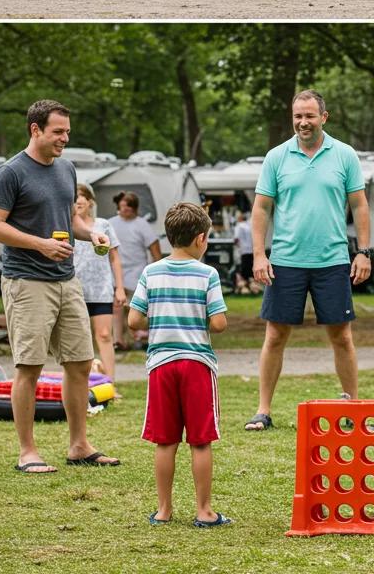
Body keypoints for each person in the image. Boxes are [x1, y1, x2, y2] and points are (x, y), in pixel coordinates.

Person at [0, 99, 118, 474]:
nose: (65, 139)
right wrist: (40, 243)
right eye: (58, 132)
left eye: (68, 132)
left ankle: (79, 445)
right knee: (29, 367)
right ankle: (27, 452)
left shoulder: (66, 169)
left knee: (78, 363)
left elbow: (70, 217)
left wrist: (91, 234)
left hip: (66, 279)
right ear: (35, 129)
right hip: (26, 281)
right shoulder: (11, 172)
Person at [244, 90, 371, 431]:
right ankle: (263, 410)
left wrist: (363, 251)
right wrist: (259, 254)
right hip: (285, 261)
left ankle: (352, 408)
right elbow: (262, 208)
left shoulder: (344, 155)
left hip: (332, 261)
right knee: (275, 336)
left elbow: (359, 205)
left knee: (342, 336)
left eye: (310, 116)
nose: (303, 122)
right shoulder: (276, 157)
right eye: (298, 116)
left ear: (323, 117)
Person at [129, 202, 231, 527]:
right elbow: (218, 324)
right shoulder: (208, 274)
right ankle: (204, 511)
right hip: (197, 364)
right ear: (201, 238)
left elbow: (134, 320)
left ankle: (163, 510)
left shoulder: (151, 272)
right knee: (200, 440)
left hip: (161, 364)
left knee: (165, 440)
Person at [72, 183, 125, 381]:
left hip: (101, 289)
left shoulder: (103, 225)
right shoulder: (66, 226)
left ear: (90, 202)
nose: (78, 201)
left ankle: (110, 383)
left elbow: (115, 258)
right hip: (74, 290)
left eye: (81, 196)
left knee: (104, 335)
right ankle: (80, 383)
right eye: (74, 197)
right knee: (77, 340)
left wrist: (119, 287)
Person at [110, 191, 161, 351]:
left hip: (138, 272)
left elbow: (154, 247)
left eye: (129, 206)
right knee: (117, 307)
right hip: (117, 271)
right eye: (123, 206)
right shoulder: (110, 223)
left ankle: (141, 336)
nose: (126, 209)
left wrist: (158, 270)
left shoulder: (142, 224)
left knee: (139, 308)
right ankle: (118, 340)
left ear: (135, 208)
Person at [233, 210, 256, 294]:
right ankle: (251, 286)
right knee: (250, 269)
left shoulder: (238, 226)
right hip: (251, 250)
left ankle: (244, 287)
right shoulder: (249, 225)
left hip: (243, 251)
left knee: (244, 270)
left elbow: (236, 238)